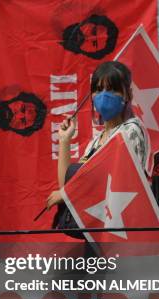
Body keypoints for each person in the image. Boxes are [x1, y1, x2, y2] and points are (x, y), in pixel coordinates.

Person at [46, 60, 149, 210]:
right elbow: (67, 185)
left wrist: (68, 194)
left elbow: (112, 182)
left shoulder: (131, 130)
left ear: (127, 95)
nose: (104, 96)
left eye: (112, 89)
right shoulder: (96, 142)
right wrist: (64, 140)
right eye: (99, 89)